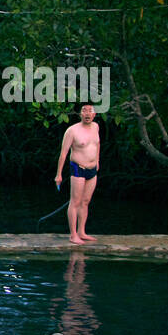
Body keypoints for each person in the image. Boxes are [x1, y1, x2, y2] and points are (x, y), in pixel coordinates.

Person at [55, 103, 101, 245]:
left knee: (85, 201)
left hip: (92, 169)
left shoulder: (96, 127)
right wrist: (59, 175)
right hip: (78, 168)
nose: (87, 113)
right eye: (84, 111)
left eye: (90, 111)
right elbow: (63, 154)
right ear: (80, 114)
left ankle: (82, 231)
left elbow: (97, 144)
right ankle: (73, 234)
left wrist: (97, 160)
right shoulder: (72, 131)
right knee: (75, 202)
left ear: (94, 114)